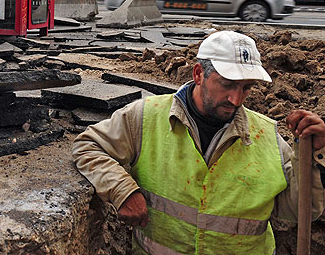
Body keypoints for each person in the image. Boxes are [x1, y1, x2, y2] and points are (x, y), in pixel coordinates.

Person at [72, 30, 325, 254]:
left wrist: (315, 154)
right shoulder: (146, 118)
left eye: (246, 88)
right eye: (227, 85)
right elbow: (88, 146)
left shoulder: (267, 138)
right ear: (198, 74)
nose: (236, 99)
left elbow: (304, 211)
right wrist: (122, 190)